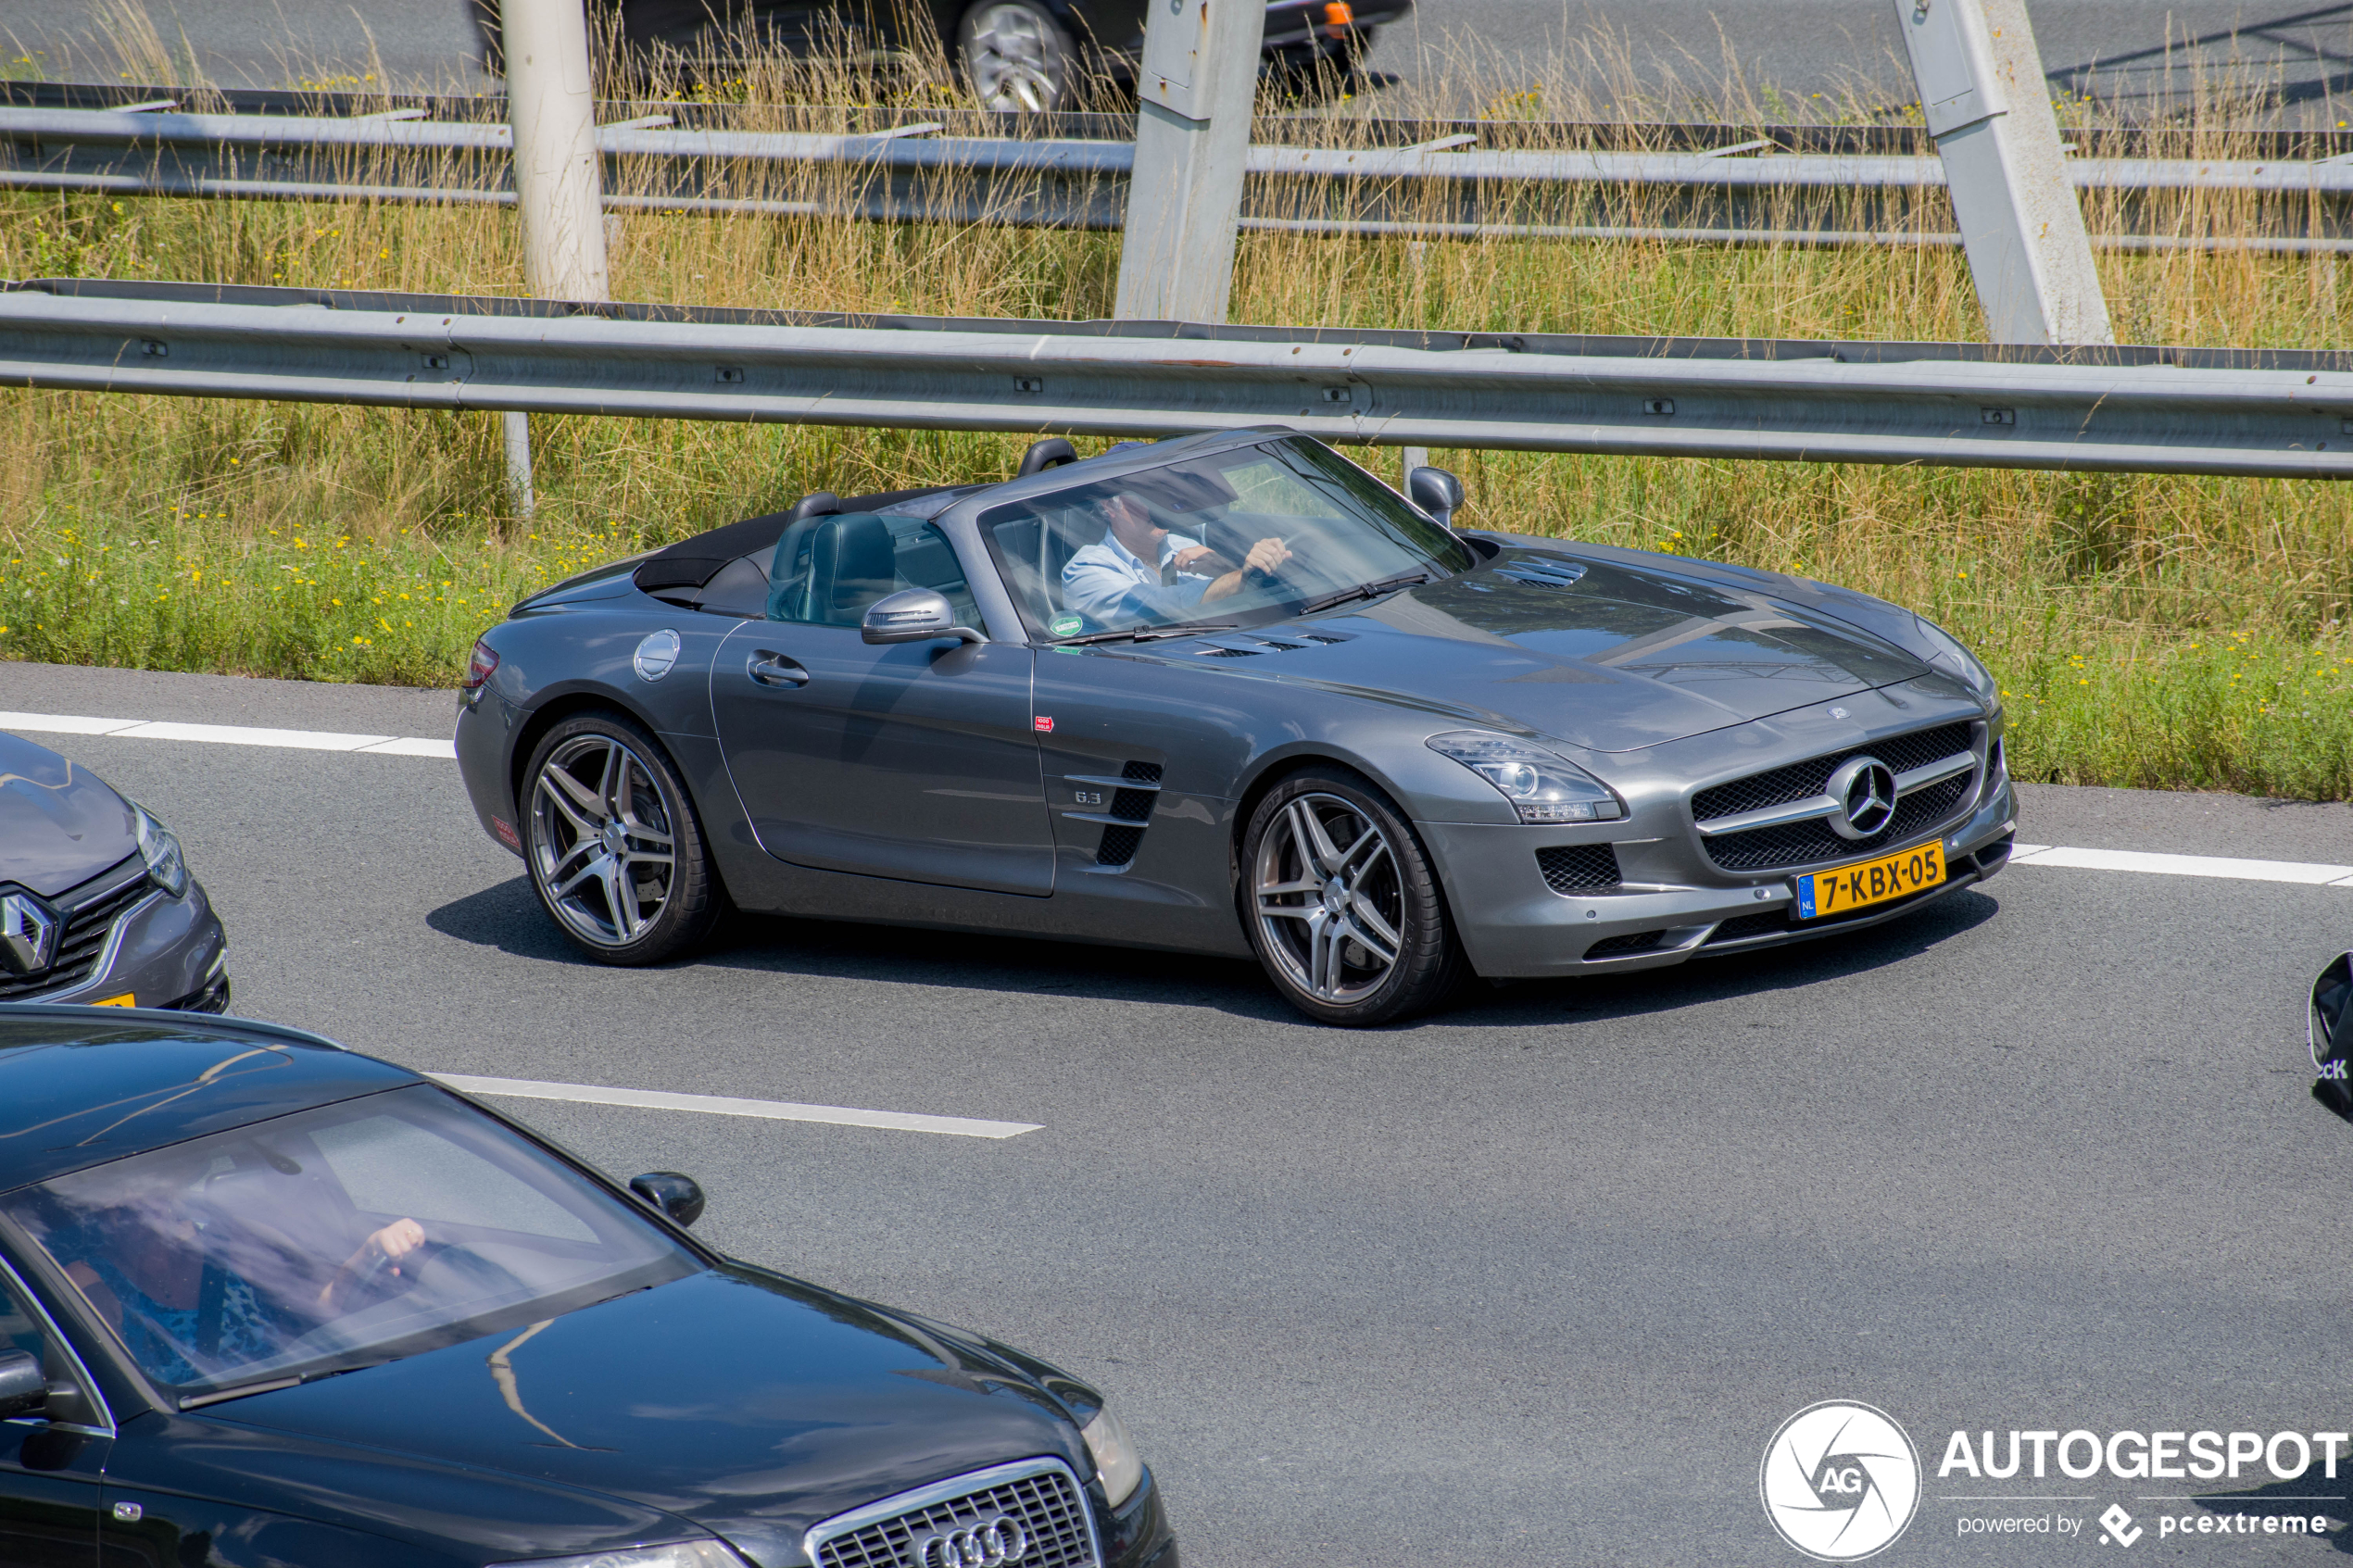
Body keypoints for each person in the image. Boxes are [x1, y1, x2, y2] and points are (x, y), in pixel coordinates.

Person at [1060, 491, 1291, 629]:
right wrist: (1244, 576)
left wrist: (1225, 569)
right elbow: (1166, 608)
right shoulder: (1087, 570)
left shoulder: (1183, 545)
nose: (1159, 506)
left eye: (1162, 495)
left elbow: (1236, 603)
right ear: (1110, 505)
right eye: (1144, 498)